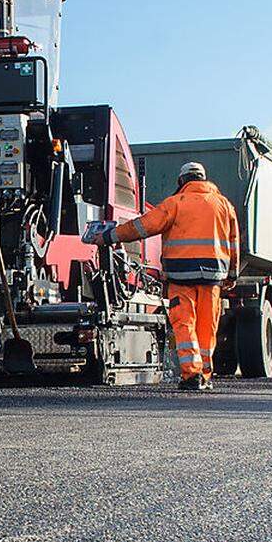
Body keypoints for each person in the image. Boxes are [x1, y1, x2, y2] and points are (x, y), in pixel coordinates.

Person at [83, 161, 239, 391]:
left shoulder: (176, 203)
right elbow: (234, 243)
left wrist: (108, 237)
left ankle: (191, 375)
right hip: (213, 276)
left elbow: (143, 227)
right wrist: (232, 275)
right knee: (207, 327)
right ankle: (204, 375)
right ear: (204, 179)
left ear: (182, 181)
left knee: (184, 324)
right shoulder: (224, 205)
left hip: (181, 275)